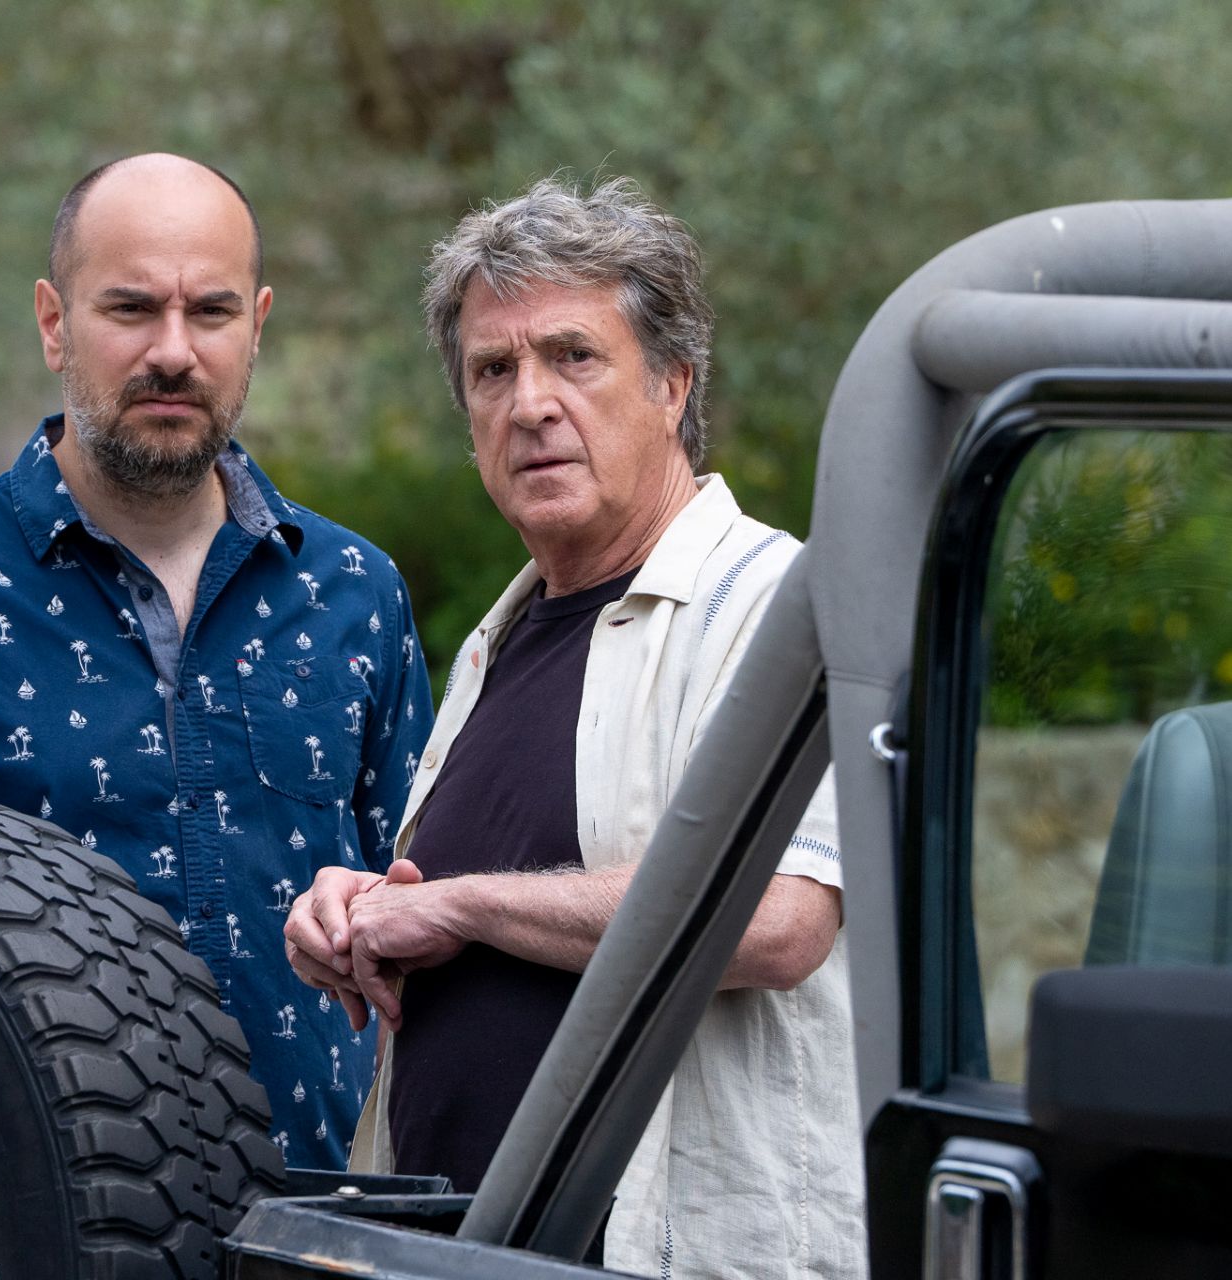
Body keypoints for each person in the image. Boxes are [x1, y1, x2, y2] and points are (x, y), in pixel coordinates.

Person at [0, 153, 432, 1169]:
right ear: (54, 323)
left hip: (320, 1206)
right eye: (130, 308)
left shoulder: (355, 591)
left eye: (211, 312)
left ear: (258, 325)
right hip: (43, 1210)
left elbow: (423, 901)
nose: (173, 351)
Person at [284, 177, 864, 1278]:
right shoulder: (498, 642)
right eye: (493, 371)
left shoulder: (772, 605)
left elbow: (780, 918)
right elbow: (477, 911)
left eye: (573, 356)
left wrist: (463, 906)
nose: (530, 403)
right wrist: (360, 913)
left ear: (672, 384)